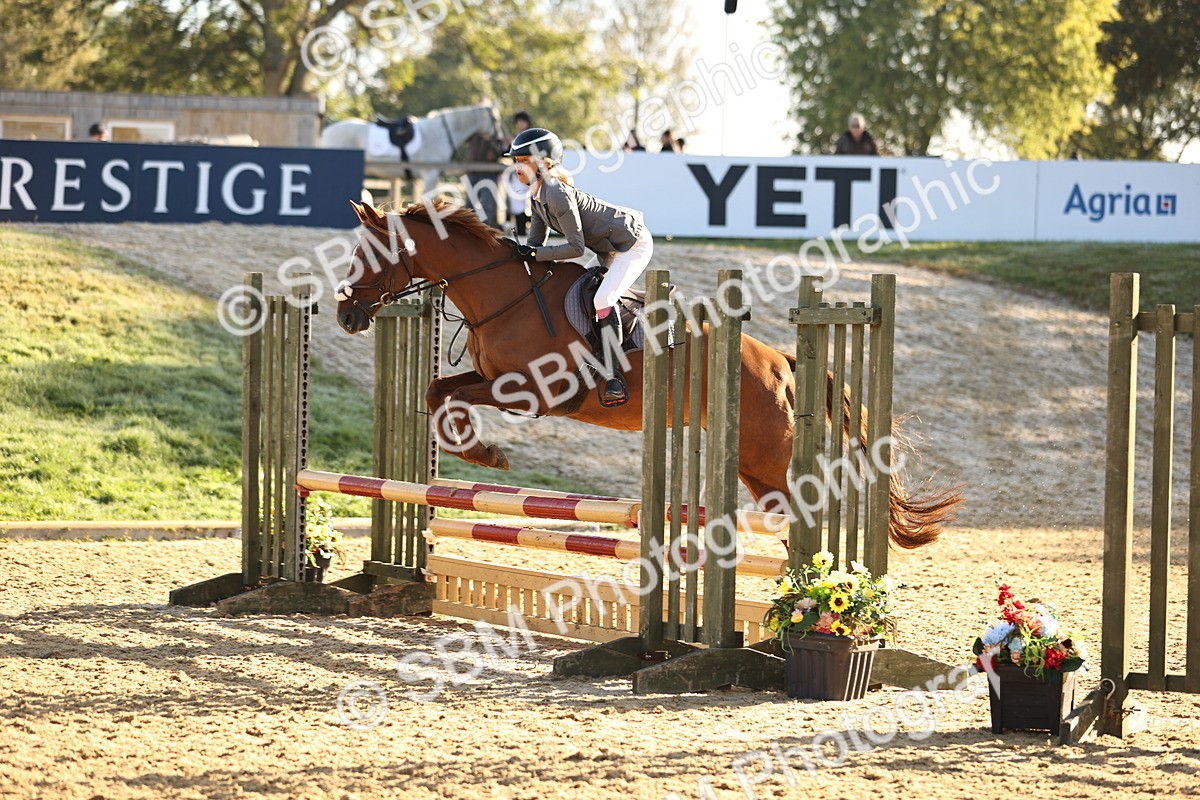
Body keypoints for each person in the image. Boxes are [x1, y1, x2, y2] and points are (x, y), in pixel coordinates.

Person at [505, 127, 653, 408]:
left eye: (523, 159)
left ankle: (613, 377)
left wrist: (533, 253)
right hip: (607, 249)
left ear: (544, 163)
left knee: (602, 299)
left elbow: (575, 248)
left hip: (630, 244)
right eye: (515, 160)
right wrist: (514, 255)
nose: (517, 166)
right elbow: (536, 246)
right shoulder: (536, 198)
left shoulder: (558, 194)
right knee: (578, 292)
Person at [506, 111, 534, 237]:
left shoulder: (531, 137)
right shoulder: (514, 137)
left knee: (528, 202)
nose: (520, 125)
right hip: (517, 173)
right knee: (516, 203)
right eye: (518, 122)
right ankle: (521, 231)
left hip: (529, 173)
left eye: (522, 122)